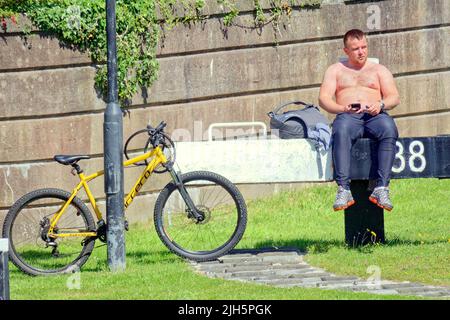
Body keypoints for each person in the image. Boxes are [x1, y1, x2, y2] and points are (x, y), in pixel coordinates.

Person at [318, 29, 400, 211]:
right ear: (346, 50)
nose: (361, 52)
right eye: (356, 49)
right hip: (348, 116)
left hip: (374, 115)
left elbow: (394, 97)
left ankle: (382, 188)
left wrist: (380, 104)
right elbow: (323, 99)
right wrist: (342, 108)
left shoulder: (378, 70)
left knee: (389, 128)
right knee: (341, 130)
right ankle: (343, 189)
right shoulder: (335, 70)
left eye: (364, 47)